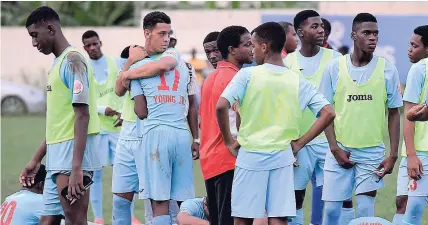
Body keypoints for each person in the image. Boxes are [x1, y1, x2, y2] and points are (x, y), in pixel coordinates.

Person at [216, 21, 335, 225]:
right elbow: (328, 113)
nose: (252, 51)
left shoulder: (247, 75)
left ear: (264, 46)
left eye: (253, 46)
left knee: (243, 218)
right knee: (278, 217)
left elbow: (221, 106)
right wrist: (299, 143)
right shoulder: (296, 80)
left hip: (250, 156)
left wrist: (228, 141)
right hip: (282, 156)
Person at [319, 13, 402, 225]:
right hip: (340, 149)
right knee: (330, 212)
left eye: (376, 33)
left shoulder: (387, 70)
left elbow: (394, 113)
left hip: (371, 152)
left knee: (365, 213)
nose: (373, 38)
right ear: (354, 35)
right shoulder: (335, 67)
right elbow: (325, 111)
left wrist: (393, 155)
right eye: (367, 33)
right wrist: (334, 148)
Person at [21, 6, 101, 225]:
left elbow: (82, 116)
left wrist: (77, 168)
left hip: (71, 156)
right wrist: (36, 159)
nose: (34, 43)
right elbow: (60, 122)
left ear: (50, 28)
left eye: (35, 36)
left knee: (75, 220)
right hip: (56, 157)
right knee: (47, 221)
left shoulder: (73, 61)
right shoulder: (57, 63)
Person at [124, 11, 194, 225]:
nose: (166, 38)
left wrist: (126, 72)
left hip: (156, 136)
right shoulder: (180, 61)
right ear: (147, 33)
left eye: (168, 34)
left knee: (159, 202)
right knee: (184, 203)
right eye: (162, 33)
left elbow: (141, 111)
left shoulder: (137, 68)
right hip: (182, 135)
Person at [284, 10, 347, 225]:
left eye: (322, 26)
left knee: (334, 198)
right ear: (300, 32)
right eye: (315, 26)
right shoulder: (288, 63)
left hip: (331, 144)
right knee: (295, 198)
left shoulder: (336, 59)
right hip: (298, 143)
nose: (321, 30)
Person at [199, 25, 253, 225]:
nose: (252, 48)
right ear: (231, 50)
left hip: (209, 161)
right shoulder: (238, 79)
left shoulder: (209, 78)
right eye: (247, 44)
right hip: (230, 161)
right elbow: (242, 122)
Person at [81, 30, 136, 225]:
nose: (92, 48)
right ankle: (98, 217)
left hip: (118, 128)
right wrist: (104, 110)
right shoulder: (84, 68)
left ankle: (129, 215)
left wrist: (123, 113)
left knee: (124, 172)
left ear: (100, 43)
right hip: (97, 129)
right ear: (84, 47)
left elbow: (126, 88)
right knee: (95, 174)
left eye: (95, 43)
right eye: (88, 45)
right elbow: (82, 100)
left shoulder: (115, 63)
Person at [396, 25, 428, 225]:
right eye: (410, 45)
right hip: (419, 152)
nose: (409, 49)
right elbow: (409, 115)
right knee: (404, 202)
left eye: (415, 46)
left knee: (413, 205)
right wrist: (412, 155)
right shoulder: (418, 70)